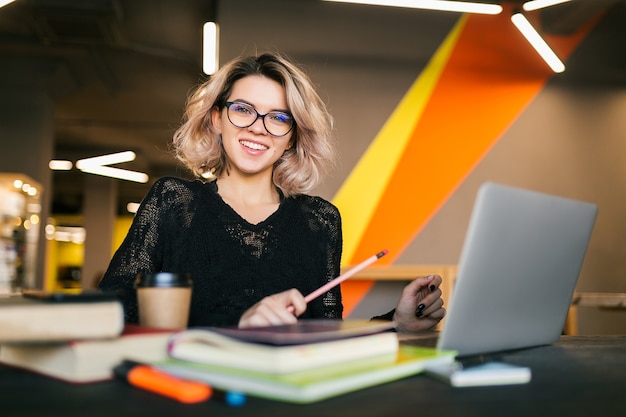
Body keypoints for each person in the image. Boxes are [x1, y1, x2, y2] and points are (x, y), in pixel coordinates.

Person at [97, 51, 445, 332]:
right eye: (243, 110)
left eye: (278, 117)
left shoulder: (319, 221)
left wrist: (396, 324)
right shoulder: (173, 202)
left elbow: (324, 335)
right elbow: (111, 315)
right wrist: (239, 324)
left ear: (293, 135)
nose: (258, 128)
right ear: (217, 118)